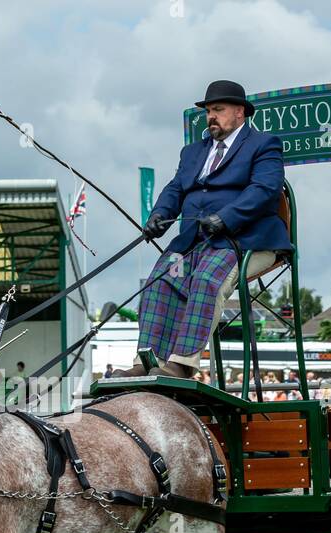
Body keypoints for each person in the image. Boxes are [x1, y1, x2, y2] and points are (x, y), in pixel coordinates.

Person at [114, 79, 291, 378]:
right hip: (193, 243)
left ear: (239, 112)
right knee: (159, 280)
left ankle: (183, 364)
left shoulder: (264, 145)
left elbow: (265, 189)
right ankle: (147, 363)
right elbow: (175, 189)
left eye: (218, 109)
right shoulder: (192, 152)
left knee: (207, 279)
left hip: (243, 239)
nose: (211, 116)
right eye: (208, 110)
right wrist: (159, 215)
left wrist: (227, 217)